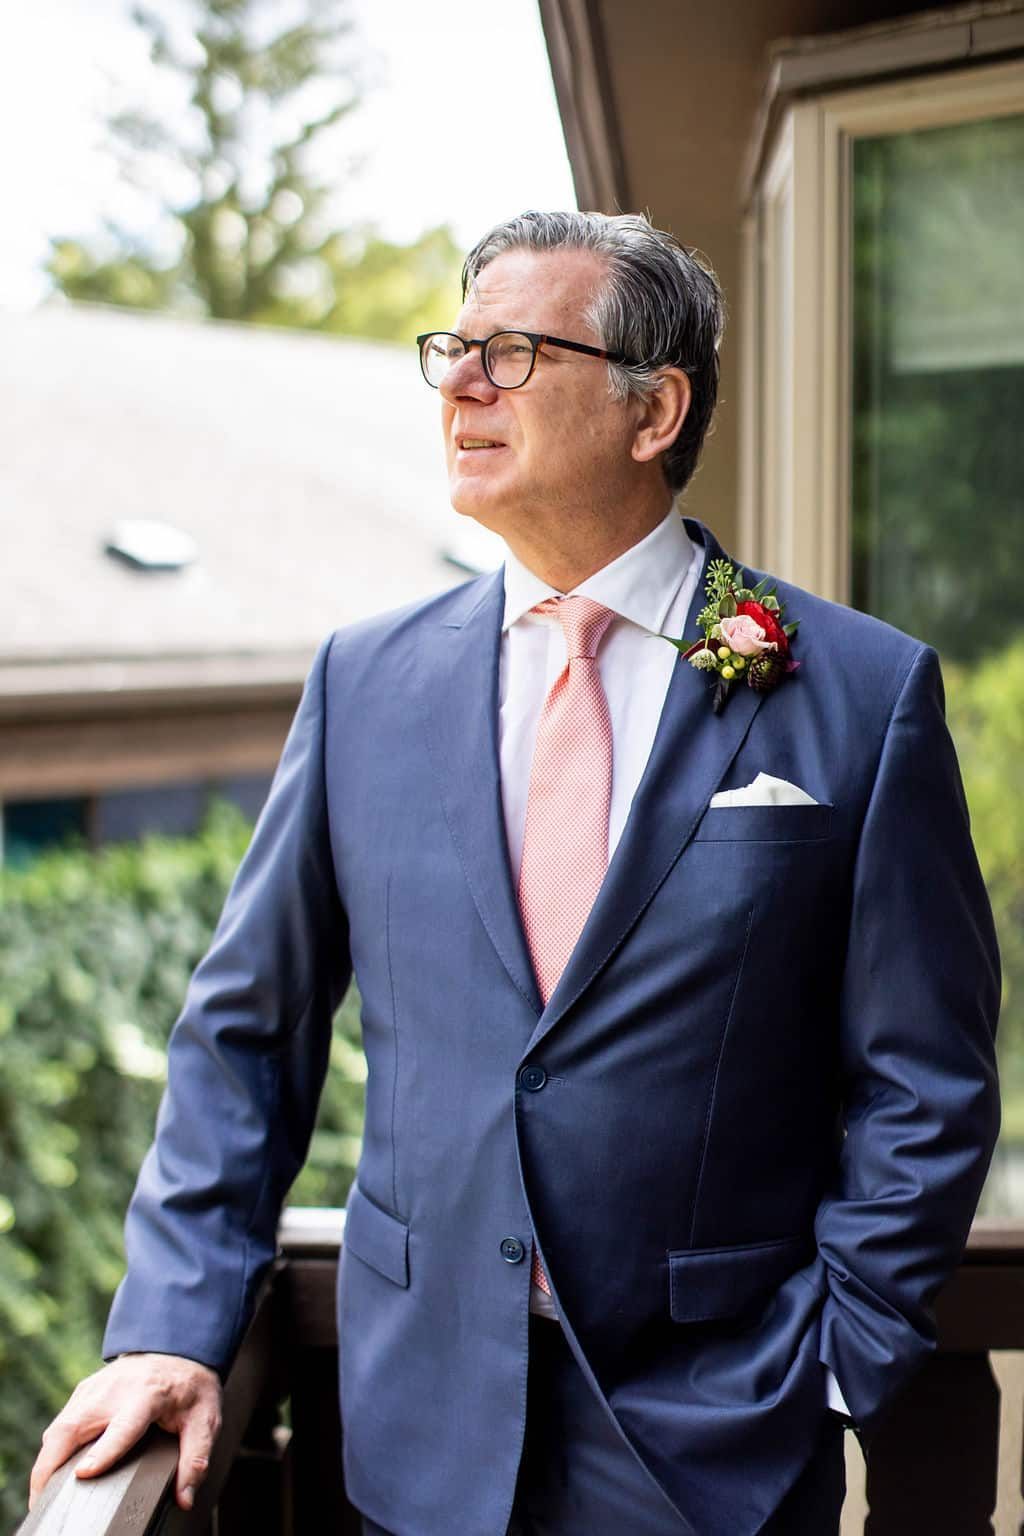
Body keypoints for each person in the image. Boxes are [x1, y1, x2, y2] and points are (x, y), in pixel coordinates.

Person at [30, 210, 1000, 1536]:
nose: (461, 385)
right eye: (453, 349)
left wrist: (840, 1355)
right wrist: (171, 1326)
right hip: (417, 1423)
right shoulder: (366, 682)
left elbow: (925, 1078)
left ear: (653, 409)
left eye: (513, 353)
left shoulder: (860, 693)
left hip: (712, 1442)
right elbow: (244, 1033)